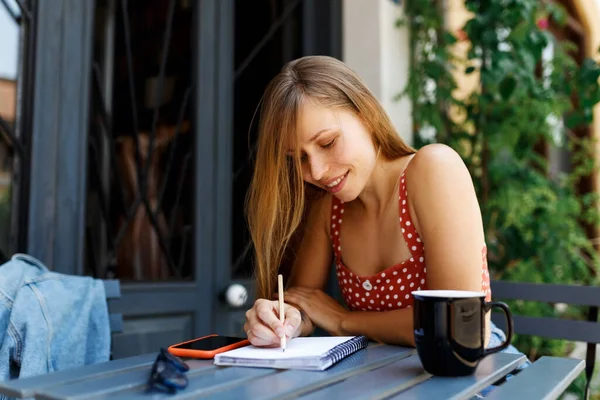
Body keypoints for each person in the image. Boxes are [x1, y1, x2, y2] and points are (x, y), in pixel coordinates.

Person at [243, 55, 506, 350]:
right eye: (298, 159)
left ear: (365, 115)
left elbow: (462, 324)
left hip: (470, 371)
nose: (315, 172)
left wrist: (344, 320)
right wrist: (283, 318)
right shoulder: (330, 207)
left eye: (327, 143)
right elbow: (306, 300)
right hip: (386, 376)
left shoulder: (434, 168)